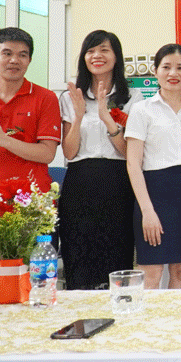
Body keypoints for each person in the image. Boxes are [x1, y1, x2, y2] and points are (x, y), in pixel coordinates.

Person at [58, 30, 142, 289]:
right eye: (91, 51)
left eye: (104, 50)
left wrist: (108, 120)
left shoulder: (132, 98)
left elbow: (129, 152)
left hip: (117, 183)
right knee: (78, 256)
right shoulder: (71, 97)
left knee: (116, 257)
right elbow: (69, 152)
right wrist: (80, 115)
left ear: (116, 57)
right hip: (79, 183)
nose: (97, 56)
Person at [125, 44, 181, 290]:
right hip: (153, 194)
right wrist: (147, 210)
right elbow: (133, 164)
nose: (173, 73)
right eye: (166, 67)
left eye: (180, 67)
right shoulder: (142, 109)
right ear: (155, 71)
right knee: (150, 273)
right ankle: (149, 329)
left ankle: (176, 328)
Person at [0, 27, 60, 191]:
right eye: (7, 53)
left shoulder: (45, 98)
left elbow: (47, 154)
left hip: (32, 199)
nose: (14, 60)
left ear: (29, 60)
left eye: (22, 55)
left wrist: (3, 140)